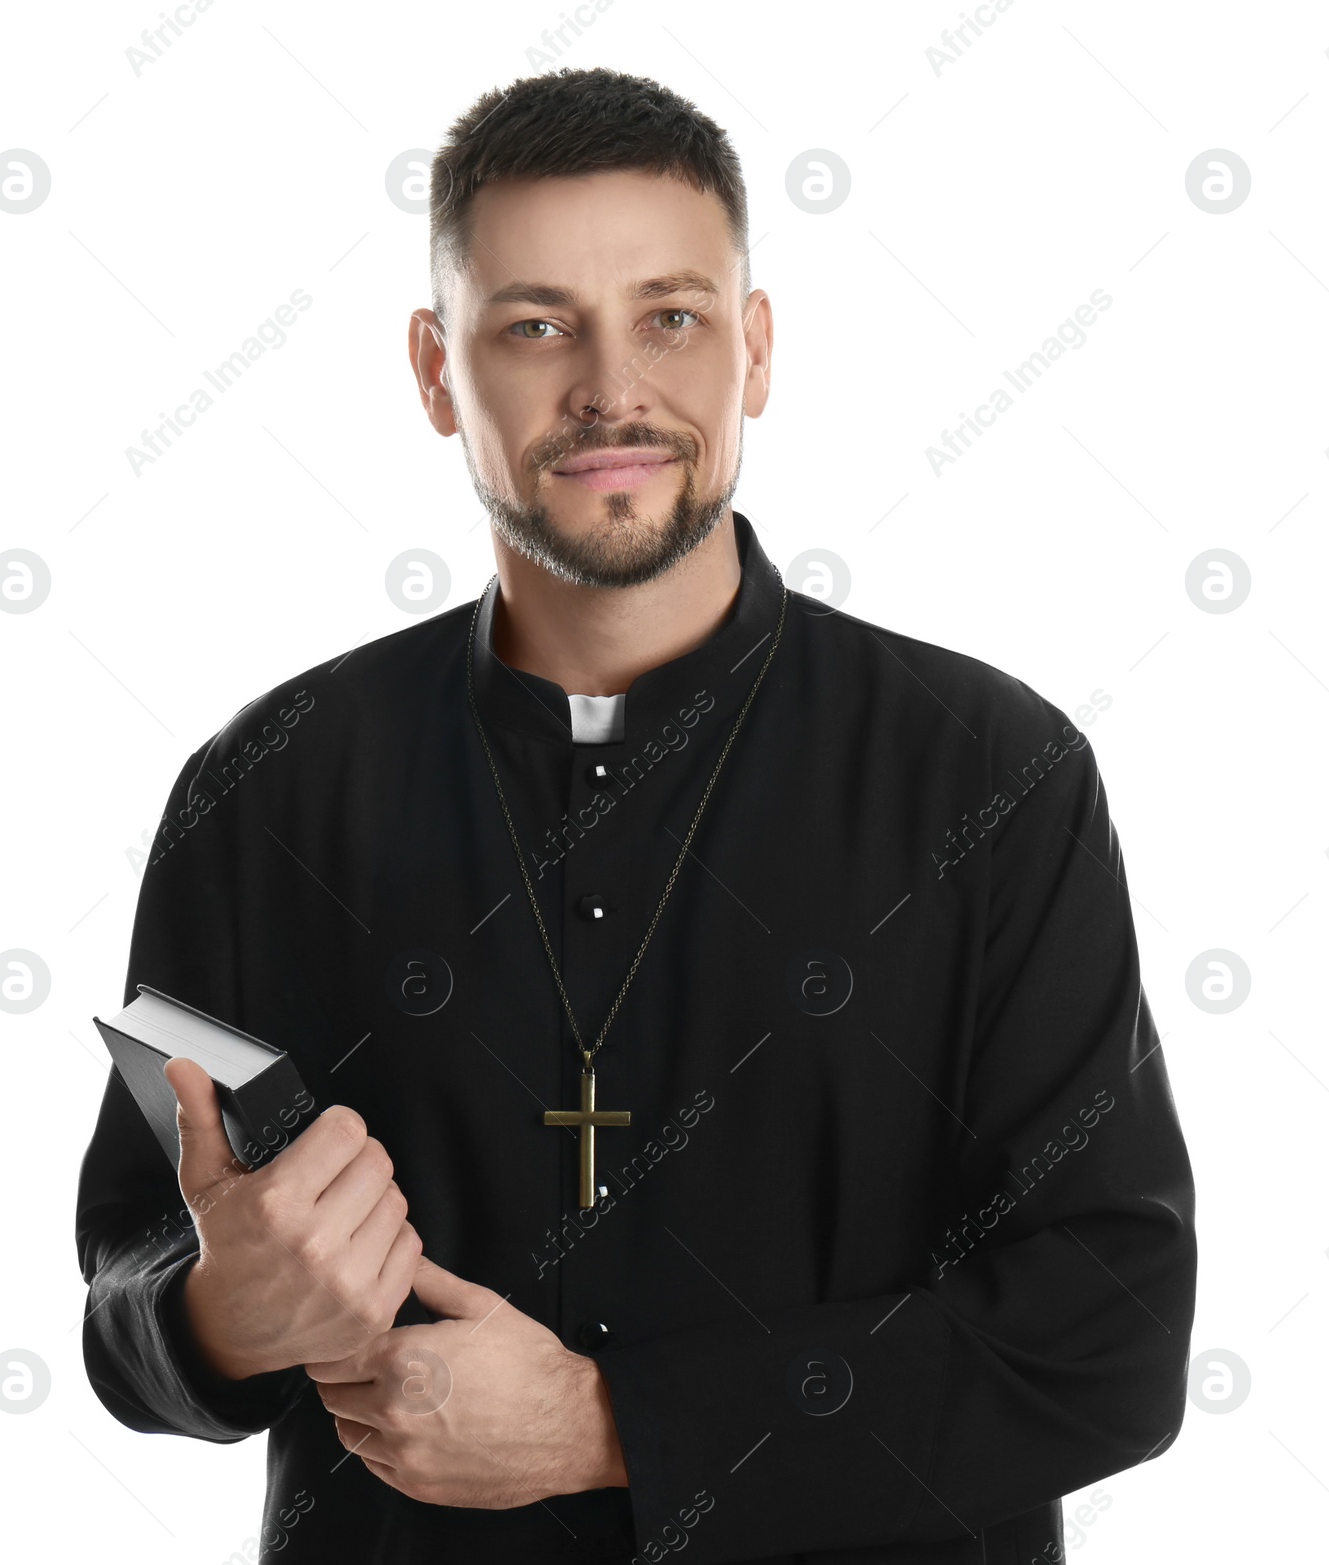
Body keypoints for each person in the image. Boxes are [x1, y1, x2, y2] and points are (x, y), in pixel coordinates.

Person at [76, 64, 1197, 1565]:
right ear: (433, 369)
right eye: (536, 325)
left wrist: (616, 1422)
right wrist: (220, 1312)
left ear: (756, 349)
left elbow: (1109, 1333)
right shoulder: (271, 780)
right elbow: (130, 1295)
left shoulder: (994, 773)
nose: (612, 390)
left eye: (670, 315)